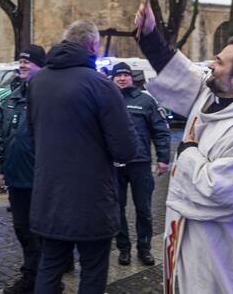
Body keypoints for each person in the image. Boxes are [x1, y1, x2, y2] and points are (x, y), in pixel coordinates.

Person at [133, 5, 233, 294]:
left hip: (218, 248)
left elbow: (221, 193)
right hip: (187, 234)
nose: (211, 64)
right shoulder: (210, 94)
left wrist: (187, 153)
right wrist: (150, 34)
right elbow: (181, 72)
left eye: (220, 61)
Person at [28, 20, 139, 294]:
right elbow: (126, 149)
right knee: (92, 271)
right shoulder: (101, 86)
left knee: (49, 267)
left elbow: (31, 135)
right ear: (93, 46)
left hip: (49, 196)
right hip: (92, 200)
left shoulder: (38, 81)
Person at [0, 45, 46, 294]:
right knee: (22, 230)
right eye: (21, 62)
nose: (23, 65)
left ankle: (42, 279)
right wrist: (0, 169)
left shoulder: (47, 96)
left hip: (40, 178)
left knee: (39, 232)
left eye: (29, 62)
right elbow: (5, 137)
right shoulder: (13, 97)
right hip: (16, 178)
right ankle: (32, 274)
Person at [110, 62, 171, 267]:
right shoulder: (106, 100)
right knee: (117, 209)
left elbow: (160, 131)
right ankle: (124, 249)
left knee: (143, 209)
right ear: (112, 79)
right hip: (114, 165)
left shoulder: (145, 101)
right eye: (118, 76)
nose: (122, 78)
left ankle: (144, 248)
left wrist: (163, 158)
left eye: (126, 75)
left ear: (132, 78)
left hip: (140, 164)